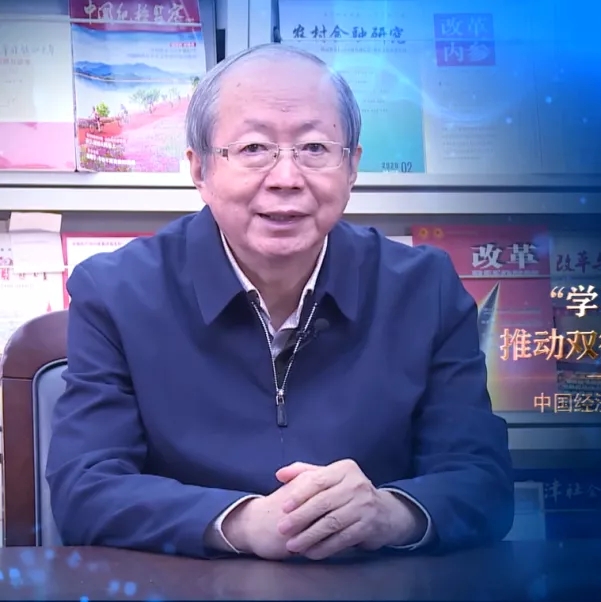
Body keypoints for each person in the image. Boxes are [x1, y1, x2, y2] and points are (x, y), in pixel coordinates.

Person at [46, 44, 515, 560]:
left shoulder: (424, 288)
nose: (286, 178)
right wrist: (243, 522)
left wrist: (388, 513)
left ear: (352, 167)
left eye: (314, 148)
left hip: (371, 584)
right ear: (199, 170)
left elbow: (482, 483)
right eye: (253, 148)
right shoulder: (116, 292)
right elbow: (84, 490)